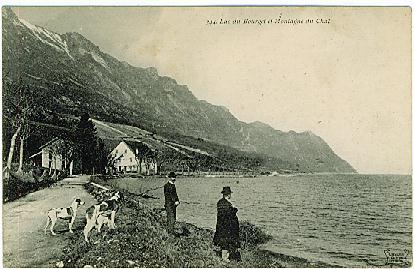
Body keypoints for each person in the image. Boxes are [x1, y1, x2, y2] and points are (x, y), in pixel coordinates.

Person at [213, 186, 241, 262]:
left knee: (223, 240)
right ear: (228, 195)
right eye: (230, 194)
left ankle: (224, 256)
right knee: (227, 241)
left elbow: (222, 214)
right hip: (227, 225)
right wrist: (234, 209)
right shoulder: (228, 204)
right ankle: (225, 258)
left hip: (220, 224)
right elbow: (230, 214)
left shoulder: (219, 202)